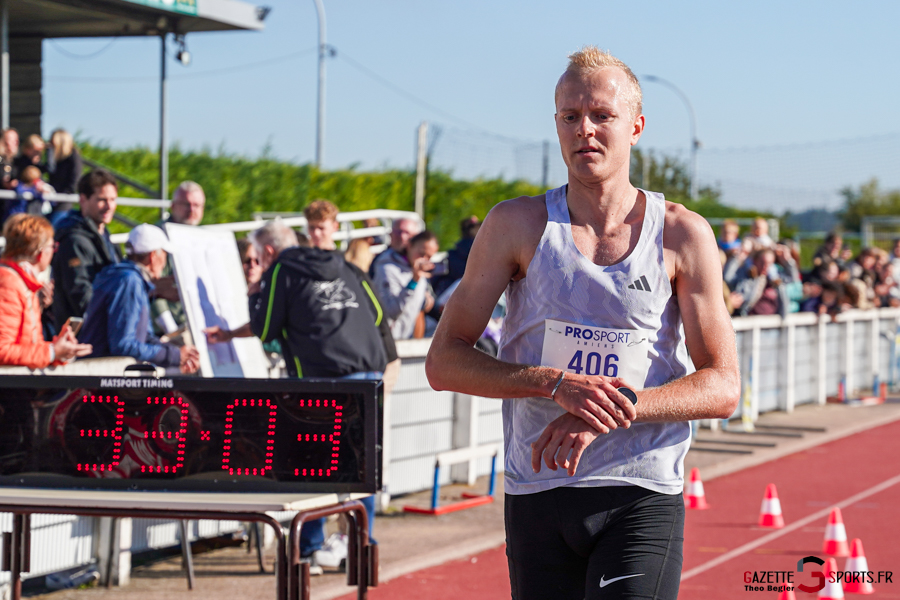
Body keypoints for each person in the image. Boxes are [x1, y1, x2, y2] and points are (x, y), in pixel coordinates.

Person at [424, 46, 740, 600]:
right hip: (539, 486)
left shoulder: (681, 235)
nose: (584, 130)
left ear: (636, 126)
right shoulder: (515, 225)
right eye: (570, 117)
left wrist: (607, 409)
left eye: (601, 116)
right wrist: (556, 385)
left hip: (639, 487)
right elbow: (445, 360)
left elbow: (723, 385)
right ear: (555, 124)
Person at [205, 218, 387, 573]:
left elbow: (266, 326)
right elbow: (378, 313)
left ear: (269, 251)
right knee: (362, 463)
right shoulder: (341, 263)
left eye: (258, 256)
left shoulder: (281, 271)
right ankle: (362, 546)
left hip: (323, 377)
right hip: (370, 371)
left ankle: (308, 551)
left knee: (313, 461)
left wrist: (256, 293)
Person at [79, 224, 200, 373]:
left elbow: (144, 337)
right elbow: (124, 345)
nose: (165, 260)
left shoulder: (126, 278)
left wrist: (177, 355)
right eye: (164, 254)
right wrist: (174, 355)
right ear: (153, 256)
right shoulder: (130, 281)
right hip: (100, 380)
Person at [0, 214, 92, 368]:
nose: (54, 251)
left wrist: (60, 351)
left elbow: (27, 348)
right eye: (52, 247)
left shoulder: (23, 282)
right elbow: (3, 350)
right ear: (40, 252)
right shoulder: (9, 283)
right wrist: (53, 351)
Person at [51, 169, 121, 327]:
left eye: (113, 199)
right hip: (87, 335)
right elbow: (80, 294)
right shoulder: (73, 240)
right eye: (102, 200)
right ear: (83, 200)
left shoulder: (105, 236)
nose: (109, 206)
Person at [150, 181, 206, 336]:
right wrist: (172, 331)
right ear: (173, 206)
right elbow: (154, 286)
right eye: (186, 204)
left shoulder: (201, 238)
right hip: (163, 329)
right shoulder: (158, 236)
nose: (192, 210)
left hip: (195, 324)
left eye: (197, 205)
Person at [374, 230, 439, 339]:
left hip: (409, 337)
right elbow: (391, 312)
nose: (424, 260)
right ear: (409, 246)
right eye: (422, 254)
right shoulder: (386, 269)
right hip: (389, 340)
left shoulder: (417, 270)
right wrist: (413, 282)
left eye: (429, 257)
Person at [46, 129, 83, 218]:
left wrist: (60, 197)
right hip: (53, 199)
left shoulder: (73, 158)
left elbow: (74, 182)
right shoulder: (57, 160)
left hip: (63, 201)